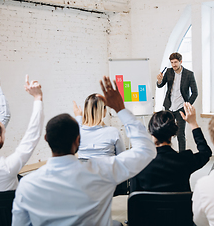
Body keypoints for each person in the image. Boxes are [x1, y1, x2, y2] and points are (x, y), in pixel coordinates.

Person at [12, 76, 157, 226]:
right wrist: (120, 108)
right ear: (77, 140)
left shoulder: (27, 184)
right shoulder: (102, 171)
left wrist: (39, 99)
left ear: (46, 139)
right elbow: (146, 150)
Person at [130, 102, 212, 193]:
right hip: (180, 207)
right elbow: (205, 152)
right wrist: (193, 123)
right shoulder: (185, 159)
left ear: (151, 132)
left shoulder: (138, 163)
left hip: (149, 207)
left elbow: (134, 197)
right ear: (173, 134)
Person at [0, 75, 44, 191]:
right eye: (3, 132)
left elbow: (3, 116)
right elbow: (33, 134)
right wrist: (37, 97)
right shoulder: (7, 168)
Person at [157, 52, 198, 152]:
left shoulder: (189, 74)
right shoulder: (169, 71)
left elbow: (195, 93)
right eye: (172, 62)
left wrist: (187, 106)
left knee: (180, 134)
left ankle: (182, 155)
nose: (174, 65)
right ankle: (166, 154)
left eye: (175, 62)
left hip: (181, 108)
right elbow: (160, 85)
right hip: (169, 107)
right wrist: (159, 80)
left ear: (181, 62)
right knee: (166, 132)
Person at [72, 93, 125, 158]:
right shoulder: (113, 132)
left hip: (85, 168)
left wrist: (78, 117)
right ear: (103, 110)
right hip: (108, 167)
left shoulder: (77, 134)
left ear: (86, 109)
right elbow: (122, 158)